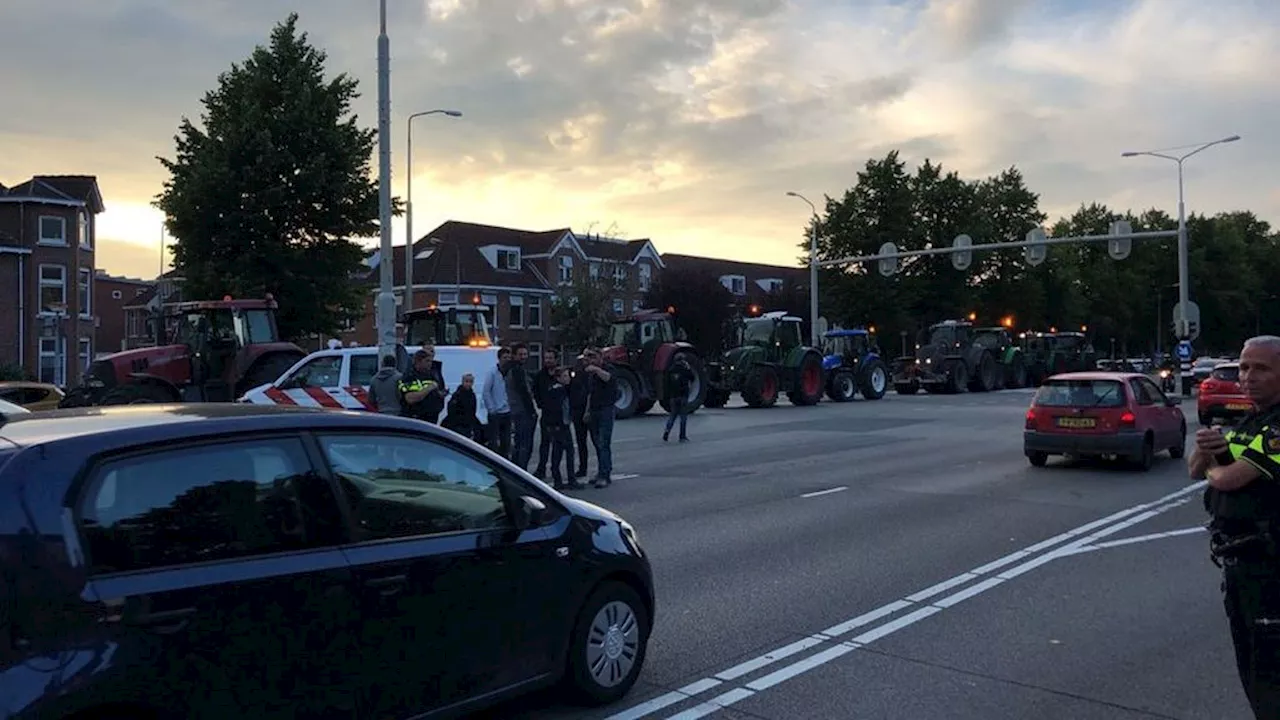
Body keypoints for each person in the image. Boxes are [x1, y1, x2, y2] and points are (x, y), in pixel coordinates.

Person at [1191, 334, 1280, 718]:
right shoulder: (1250, 421)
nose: (1248, 377)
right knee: (1251, 668)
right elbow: (1195, 469)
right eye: (1244, 367)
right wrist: (1206, 447)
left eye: (1261, 369)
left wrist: (1214, 462)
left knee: (1271, 677)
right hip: (1241, 567)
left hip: (1270, 571)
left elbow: (1228, 480)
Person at [582, 347, 617, 488]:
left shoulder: (608, 369)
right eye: (589, 357)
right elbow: (590, 394)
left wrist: (596, 370)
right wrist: (587, 411)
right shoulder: (591, 375)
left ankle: (604, 475)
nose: (591, 360)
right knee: (597, 443)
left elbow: (608, 378)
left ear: (601, 357)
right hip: (594, 409)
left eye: (594, 357)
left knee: (604, 442)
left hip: (606, 409)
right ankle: (602, 469)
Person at [543, 367, 581, 489]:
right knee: (568, 451)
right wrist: (560, 424)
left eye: (568, 375)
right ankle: (570, 480)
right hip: (560, 426)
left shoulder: (555, 390)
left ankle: (558, 480)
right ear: (558, 378)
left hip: (557, 425)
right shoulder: (558, 392)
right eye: (564, 376)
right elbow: (557, 410)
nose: (568, 378)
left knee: (557, 452)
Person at [507, 343, 538, 469]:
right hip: (522, 411)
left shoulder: (512, 369)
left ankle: (516, 471)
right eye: (520, 354)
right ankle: (521, 472)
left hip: (516, 410)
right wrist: (532, 411)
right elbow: (523, 392)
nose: (523, 357)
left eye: (525, 354)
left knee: (519, 444)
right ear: (514, 356)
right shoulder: (517, 370)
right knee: (525, 445)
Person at [399, 347, 448, 423]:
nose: (430, 364)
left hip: (432, 418)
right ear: (418, 361)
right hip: (416, 419)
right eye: (427, 361)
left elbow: (433, 392)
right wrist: (430, 388)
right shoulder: (409, 377)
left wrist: (440, 394)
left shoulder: (430, 375)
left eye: (431, 361)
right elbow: (410, 398)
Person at [532, 349, 560, 479]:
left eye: (550, 358)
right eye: (546, 358)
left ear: (556, 359)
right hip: (546, 414)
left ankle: (556, 471)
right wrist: (540, 404)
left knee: (558, 445)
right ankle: (541, 469)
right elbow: (535, 391)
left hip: (559, 415)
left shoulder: (560, 374)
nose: (548, 360)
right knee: (545, 443)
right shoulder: (540, 376)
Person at [482, 347, 513, 457]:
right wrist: (491, 409)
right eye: (505, 357)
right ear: (499, 358)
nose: (507, 360)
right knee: (494, 441)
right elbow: (486, 391)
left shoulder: (511, 373)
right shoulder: (492, 373)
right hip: (496, 413)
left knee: (506, 441)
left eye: (509, 357)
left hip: (507, 412)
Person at [569, 354, 591, 479]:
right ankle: (583, 468)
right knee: (581, 441)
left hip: (584, 409)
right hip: (578, 410)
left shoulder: (589, 374)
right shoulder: (578, 375)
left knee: (586, 441)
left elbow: (589, 393)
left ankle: (584, 468)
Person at [441, 373, 481, 441]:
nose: (468, 384)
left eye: (470, 381)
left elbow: (473, 411)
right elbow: (451, 411)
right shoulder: (457, 395)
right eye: (466, 381)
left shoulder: (472, 396)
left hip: (467, 426)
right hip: (456, 426)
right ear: (462, 382)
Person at [663, 356, 694, 443]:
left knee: (672, 416)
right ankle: (682, 436)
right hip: (683, 396)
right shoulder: (685, 369)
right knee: (683, 417)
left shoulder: (671, 370)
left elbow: (667, 384)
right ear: (683, 360)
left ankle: (667, 431)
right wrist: (688, 368)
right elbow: (692, 378)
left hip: (673, 396)